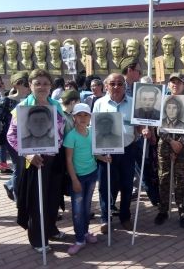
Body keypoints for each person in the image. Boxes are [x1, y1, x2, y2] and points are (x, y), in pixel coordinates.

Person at [7, 69, 66, 253]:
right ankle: (37, 239)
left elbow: (63, 129)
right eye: (37, 83)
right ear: (30, 85)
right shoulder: (22, 108)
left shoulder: (56, 105)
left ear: (51, 86)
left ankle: (49, 229)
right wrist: (28, 155)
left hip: (55, 159)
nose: (42, 87)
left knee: (53, 197)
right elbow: (12, 136)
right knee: (36, 201)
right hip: (34, 161)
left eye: (45, 83)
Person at [93, 73, 148, 233]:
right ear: (106, 86)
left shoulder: (133, 104)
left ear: (125, 86)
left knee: (126, 185)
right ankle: (105, 217)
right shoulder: (99, 104)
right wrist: (99, 152)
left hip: (127, 150)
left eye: (120, 83)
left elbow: (137, 126)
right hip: (106, 151)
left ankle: (125, 216)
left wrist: (143, 130)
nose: (116, 87)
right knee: (105, 186)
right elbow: (94, 128)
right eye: (112, 83)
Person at [63, 103, 101, 255]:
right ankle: (79, 240)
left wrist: (104, 158)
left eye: (86, 115)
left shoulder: (92, 132)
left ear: (90, 117)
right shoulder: (71, 136)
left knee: (86, 207)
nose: (83, 118)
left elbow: (95, 153)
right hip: (77, 178)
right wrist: (74, 180)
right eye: (79, 115)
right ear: (74, 118)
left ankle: (85, 233)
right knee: (78, 210)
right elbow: (68, 160)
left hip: (92, 175)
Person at [0, 71, 30, 201]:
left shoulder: (31, 100)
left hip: (29, 138)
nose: (29, 86)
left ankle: (10, 184)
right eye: (27, 83)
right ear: (17, 84)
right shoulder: (6, 101)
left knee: (25, 168)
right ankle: (18, 198)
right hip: (13, 139)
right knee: (19, 167)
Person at [154, 72, 184, 227]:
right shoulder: (161, 102)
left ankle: (183, 211)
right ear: (169, 85)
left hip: (183, 146)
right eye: (172, 82)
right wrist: (171, 142)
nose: (175, 85)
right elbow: (158, 127)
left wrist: (179, 143)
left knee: (181, 180)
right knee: (164, 178)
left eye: (178, 82)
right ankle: (163, 210)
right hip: (165, 146)